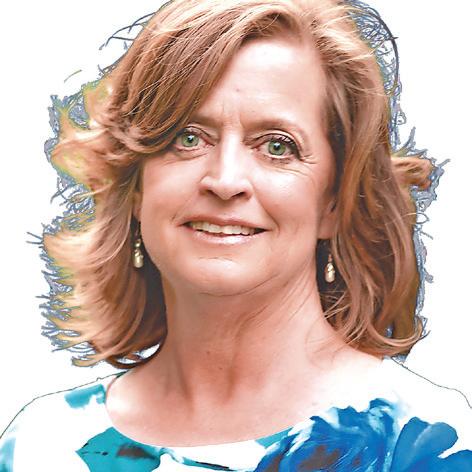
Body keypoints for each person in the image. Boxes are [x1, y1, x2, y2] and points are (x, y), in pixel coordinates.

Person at [1, 0, 471, 470]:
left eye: (277, 146)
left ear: (334, 200)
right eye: (187, 138)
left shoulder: (424, 445)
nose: (225, 181)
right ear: (136, 186)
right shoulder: (40, 446)